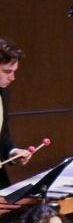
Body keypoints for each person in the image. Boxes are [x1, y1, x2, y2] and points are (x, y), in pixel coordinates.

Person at [0, 38, 41, 187]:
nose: (12, 77)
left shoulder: (3, 93)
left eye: (14, 71)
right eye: (7, 72)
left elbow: (2, 134)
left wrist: (12, 152)